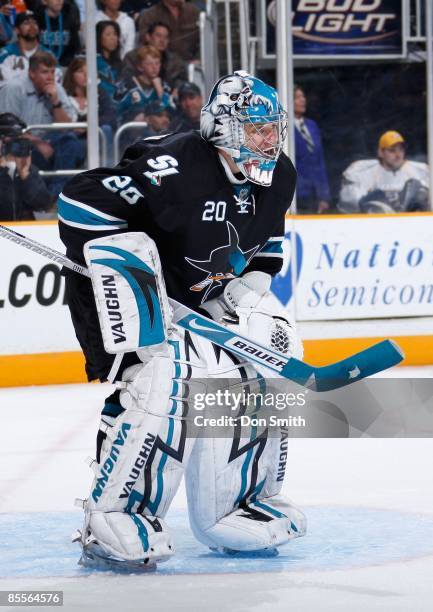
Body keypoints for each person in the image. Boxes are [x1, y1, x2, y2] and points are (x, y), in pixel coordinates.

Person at [58, 70, 306, 570]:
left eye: (273, 128)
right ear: (225, 129)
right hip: (128, 297)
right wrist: (140, 279)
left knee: (265, 362)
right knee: (158, 382)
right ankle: (116, 512)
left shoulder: (279, 174)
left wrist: (241, 290)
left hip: (202, 298)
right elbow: (79, 203)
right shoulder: (174, 169)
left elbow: (267, 241)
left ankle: (235, 501)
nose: (270, 139)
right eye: (257, 129)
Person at [0, 50, 85, 195]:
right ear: (32, 73)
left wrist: (55, 102)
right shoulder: (13, 88)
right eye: (45, 72)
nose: (50, 77)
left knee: (71, 143)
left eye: (52, 72)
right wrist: (38, 143)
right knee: (19, 146)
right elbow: (7, 129)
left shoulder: (56, 89)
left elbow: (67, 127)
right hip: (18, 143)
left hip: (50, 142)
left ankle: (57, 196)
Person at [338, 130, 430, 213]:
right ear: (380, 152)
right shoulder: (362, 171)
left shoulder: (421, 171)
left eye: (401, 150)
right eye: (392, 150)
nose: (398, 155)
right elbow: (349, 204)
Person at [0, 112, 53, 220]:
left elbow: (43, 204)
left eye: (19, 138)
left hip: (23, 230)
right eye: (7, 138)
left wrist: (25, 176)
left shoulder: (27, 168)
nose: (13, 144)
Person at [293, 85, 330, 214]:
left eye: (303, 96)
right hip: (296, 194)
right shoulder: (283, 127)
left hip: (315, 194)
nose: (303, 100)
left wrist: (324, 196)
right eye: (297, 97)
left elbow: (320, 162)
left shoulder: (312, 125)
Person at [0, 11, 62, 86]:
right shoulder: (5, 53)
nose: (32, 26)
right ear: (17, 30)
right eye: (26, 23)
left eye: (35, 23)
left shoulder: (48, 55)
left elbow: (57, 83)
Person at [122, 21, 187, 91]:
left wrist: (177, 88)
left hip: (168, 96)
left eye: (166, 37)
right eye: (158, 36)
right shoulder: (132, 57)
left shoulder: (175, 61)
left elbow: (182, 80)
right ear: (148, 37)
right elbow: (125, 80)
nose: (162, 40)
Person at [117, 44, 172, 123]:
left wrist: (160, 92)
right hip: (131, 131)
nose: (154, 67)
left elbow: (171, 113)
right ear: (140, 66)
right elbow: (118, 111)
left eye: (157, 63)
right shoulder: (127, 85)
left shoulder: (163, 86)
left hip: (159, 132)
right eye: (149, 64)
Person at [34, 0, 81, 67]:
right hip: (41, 66)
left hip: (65, 66)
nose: (59, 0)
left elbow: (74, 47)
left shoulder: (69, 16)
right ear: (44, 1)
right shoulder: (37, 19)